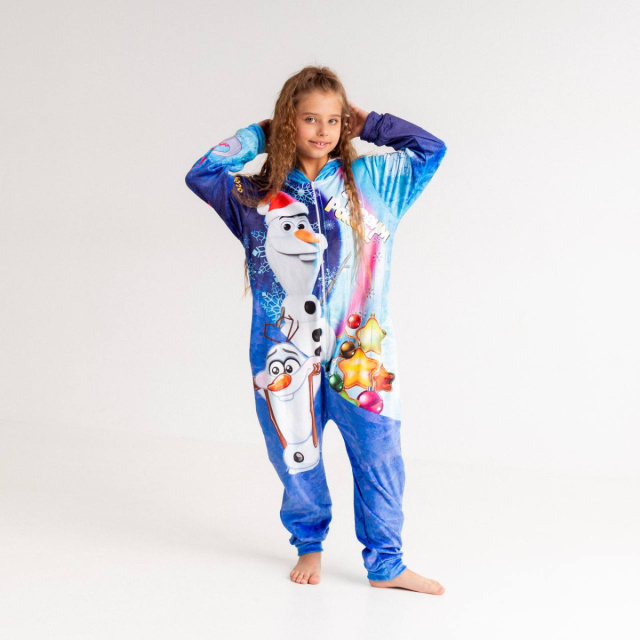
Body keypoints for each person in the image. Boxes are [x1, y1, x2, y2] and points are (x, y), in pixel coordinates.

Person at [185, 66, 447, 594]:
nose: (323, 130)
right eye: (308, 119)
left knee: (380, 456)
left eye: (333, 119)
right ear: (289, 122)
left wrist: (371, 124)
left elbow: (430, 149)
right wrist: (261, 134)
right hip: (284, 351)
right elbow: (202, 172)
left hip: (361, 357)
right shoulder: (256, 195)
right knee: (295, 456)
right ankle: (309, 543)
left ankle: (387, 563)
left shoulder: (374, 183)